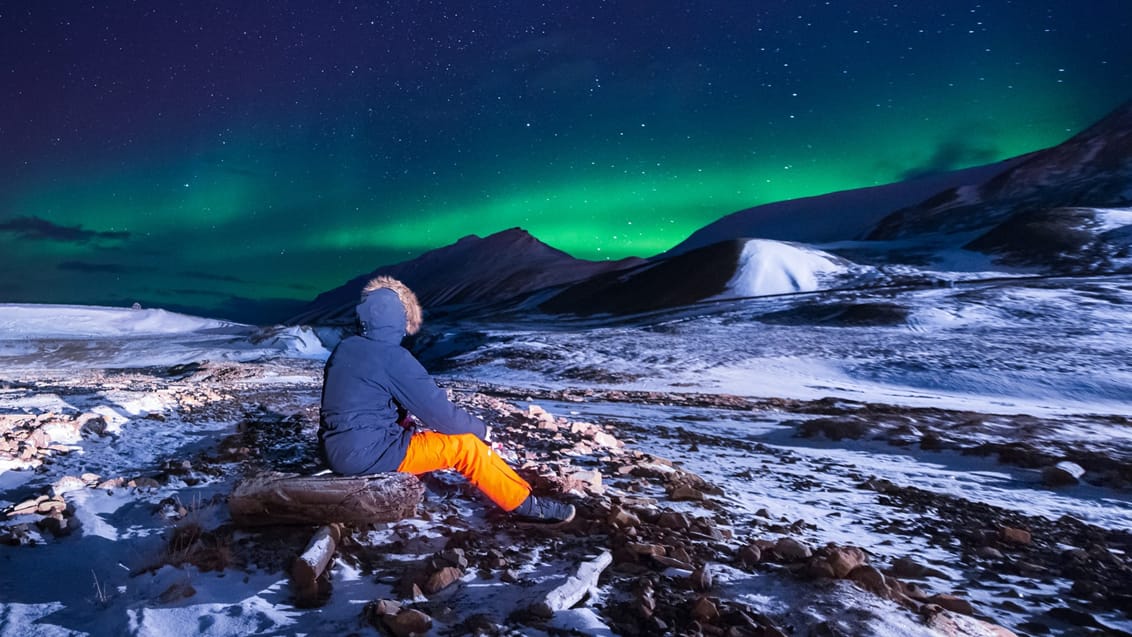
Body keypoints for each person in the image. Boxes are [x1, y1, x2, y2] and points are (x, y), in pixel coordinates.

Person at [318, 275, 574, 524]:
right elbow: (442, 416)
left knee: (414, 429)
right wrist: (483, 430)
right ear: (397, 320)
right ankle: (528, 507)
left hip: (338, 447)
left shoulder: (347, 347)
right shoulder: (392, 357)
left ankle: (516, 489)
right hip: (366, 454)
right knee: (466, 447)